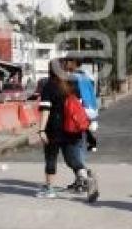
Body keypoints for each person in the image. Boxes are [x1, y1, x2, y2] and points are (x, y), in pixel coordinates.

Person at [37, 59, 98, 202]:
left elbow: (45, 110)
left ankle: (50, 189)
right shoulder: (73, 85)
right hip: (72, 128)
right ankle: (84, 176)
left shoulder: (49, 86)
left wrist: (41, 130)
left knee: (51, 157)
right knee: (72, 159)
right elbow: (80, 106)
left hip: (54, 128)